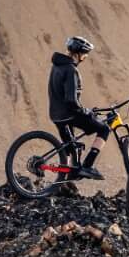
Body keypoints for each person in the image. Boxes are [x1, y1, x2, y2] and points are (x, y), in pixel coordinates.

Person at [48, 36, 110, 181]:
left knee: (71, 147)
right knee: (104, 129)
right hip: (69, 114)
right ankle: (87, 166)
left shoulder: (56, 66)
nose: (86, 57)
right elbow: (71, 100)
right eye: (85, 54)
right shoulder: (71, 70)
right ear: (79, 54)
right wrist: (86, 111)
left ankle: (65, 181)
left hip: (56, 114)